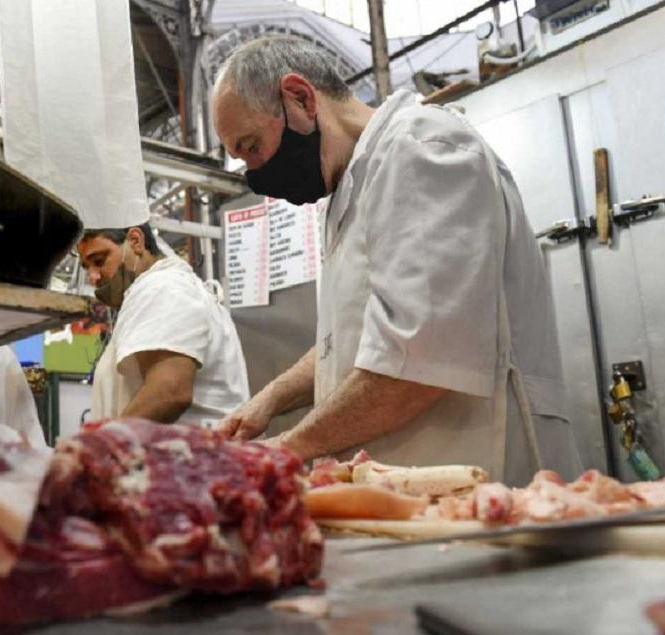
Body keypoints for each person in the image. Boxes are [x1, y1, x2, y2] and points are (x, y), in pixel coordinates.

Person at [211, 36, 582, 485]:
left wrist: (284, 450)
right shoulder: (349, 190)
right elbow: (353, 340)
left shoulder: (422, 148)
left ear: (301, 98)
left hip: (482, 468)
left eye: (252, 146)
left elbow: (418, 361)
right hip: (420, 481)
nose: (255, 172)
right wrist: (270, 399)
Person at [77, 223, 249, 426]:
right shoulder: (158, 289)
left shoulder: (163, 287)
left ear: (136, 241)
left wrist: (99, 449)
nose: (93, 276)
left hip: (191, 454)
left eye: (99, 260)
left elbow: (169, 392)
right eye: (87, 267)